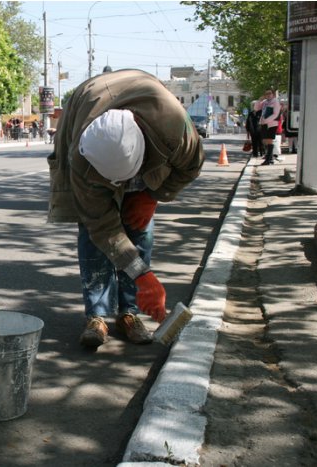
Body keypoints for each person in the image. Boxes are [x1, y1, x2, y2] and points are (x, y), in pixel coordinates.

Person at [48, 69, 204, 348]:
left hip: (148, 131)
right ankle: (96, 316)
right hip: (87, 105)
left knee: (139, 227)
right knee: (93, 235)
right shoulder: (82, 158)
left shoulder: (172, 125)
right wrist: (145, 277)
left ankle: (129, 313)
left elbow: (191, 166)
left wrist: (153, 195)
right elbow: (102, 226)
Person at [258, 88, 281, 166]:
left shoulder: (275, 101)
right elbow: (256, 108)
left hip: (271, 124)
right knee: (265, 140)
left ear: (273, 94)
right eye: (266, 94)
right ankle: (269, 158)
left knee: (269, 140)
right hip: (264, 123)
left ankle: (269, 159)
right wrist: (259, 101)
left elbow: (276, 114)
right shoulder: (265, 102)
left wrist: (267, 120)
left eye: (269, 93)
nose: (268, 95)